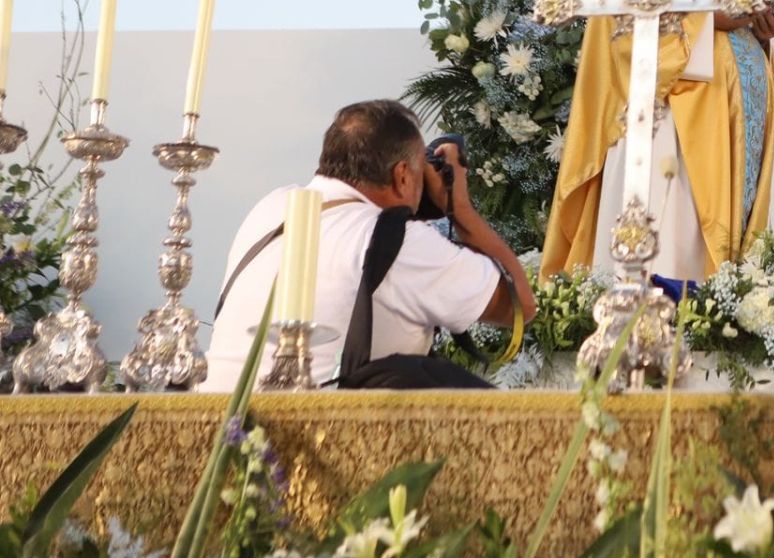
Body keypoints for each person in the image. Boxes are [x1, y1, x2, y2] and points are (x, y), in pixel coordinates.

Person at [542, 0, 774, 280]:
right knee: (664, 262)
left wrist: (760, 39)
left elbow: (725, 38)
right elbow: (630, 46)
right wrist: (715, 21)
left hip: (709, 143)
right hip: (662, 141)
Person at [203, 100, 535, 391]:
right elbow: (520, 306)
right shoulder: (398, 241)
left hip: (220, 424)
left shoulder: (270, 207)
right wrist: (459, 209)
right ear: (402, 175)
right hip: (313, 435)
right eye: (420, 175)